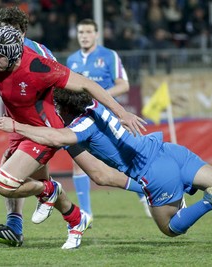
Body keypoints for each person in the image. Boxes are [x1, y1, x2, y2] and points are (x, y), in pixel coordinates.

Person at [0, 89, 212, 237]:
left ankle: (211, 203)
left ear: (64, 109)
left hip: (153, 173)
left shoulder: (78, 129)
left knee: (171, 228)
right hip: (169, 150)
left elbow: (56, 140)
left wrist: (16, 128)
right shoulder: (101, 110)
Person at [0, 7, 146, 248]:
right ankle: (74, 219)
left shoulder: (39, 63)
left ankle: (148, 185)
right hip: (18, 127)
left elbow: (85, 85)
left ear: (21, 39)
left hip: (46, 130)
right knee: (21, 183)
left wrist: (121, 113)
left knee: (95, 174)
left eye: (0, 56)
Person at [66, 18, 150, 219]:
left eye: (88, 32)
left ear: (96, 34)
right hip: (83, 117)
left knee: (121, 161)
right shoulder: (71, 60)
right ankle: (86, 212)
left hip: (106, 117)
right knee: (78, 159)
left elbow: (124, 85)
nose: (84, 36)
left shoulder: (108, 56)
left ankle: (144, 195)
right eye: (81, 32)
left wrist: (100, 94)